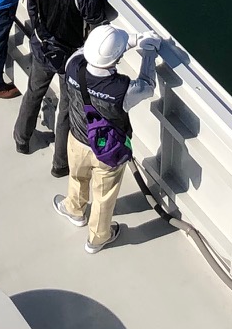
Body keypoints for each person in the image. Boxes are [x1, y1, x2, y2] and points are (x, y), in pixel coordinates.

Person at [15, 0, 114, 175]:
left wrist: (41, 36)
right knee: (67, 109)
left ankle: (21, 138)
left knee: (33, 91)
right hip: (70, 56)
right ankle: (60, 164)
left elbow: (32, 7)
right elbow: (97, 19)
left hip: (41, 46)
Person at [52, 25, 160, 253]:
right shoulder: (122, 89)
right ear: (117, 57)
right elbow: (147, 86)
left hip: (78, 138)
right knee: (103, 196)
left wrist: (124, 43)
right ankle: (98, 237)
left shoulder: (73, 65)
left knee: (77, 175)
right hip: (108, 151)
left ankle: (74, 209)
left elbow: (87, 52)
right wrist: (147, 50)